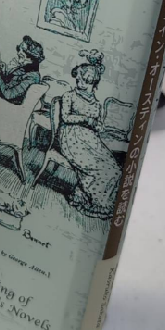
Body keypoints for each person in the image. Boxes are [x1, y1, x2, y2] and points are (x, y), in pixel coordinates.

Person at [59, 49, 121, 220]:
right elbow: (66, 117)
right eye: (78, 79)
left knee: (114, 169)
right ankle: (95, 201)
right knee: (98, 168)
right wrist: (86, 119)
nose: (79, 83)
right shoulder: (69, 96)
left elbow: (97, 124)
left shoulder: (97, 104)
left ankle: (84, 196)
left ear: (92, 82)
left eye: (83, 81)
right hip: (71, 137)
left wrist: (98, 126)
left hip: (91, 139)